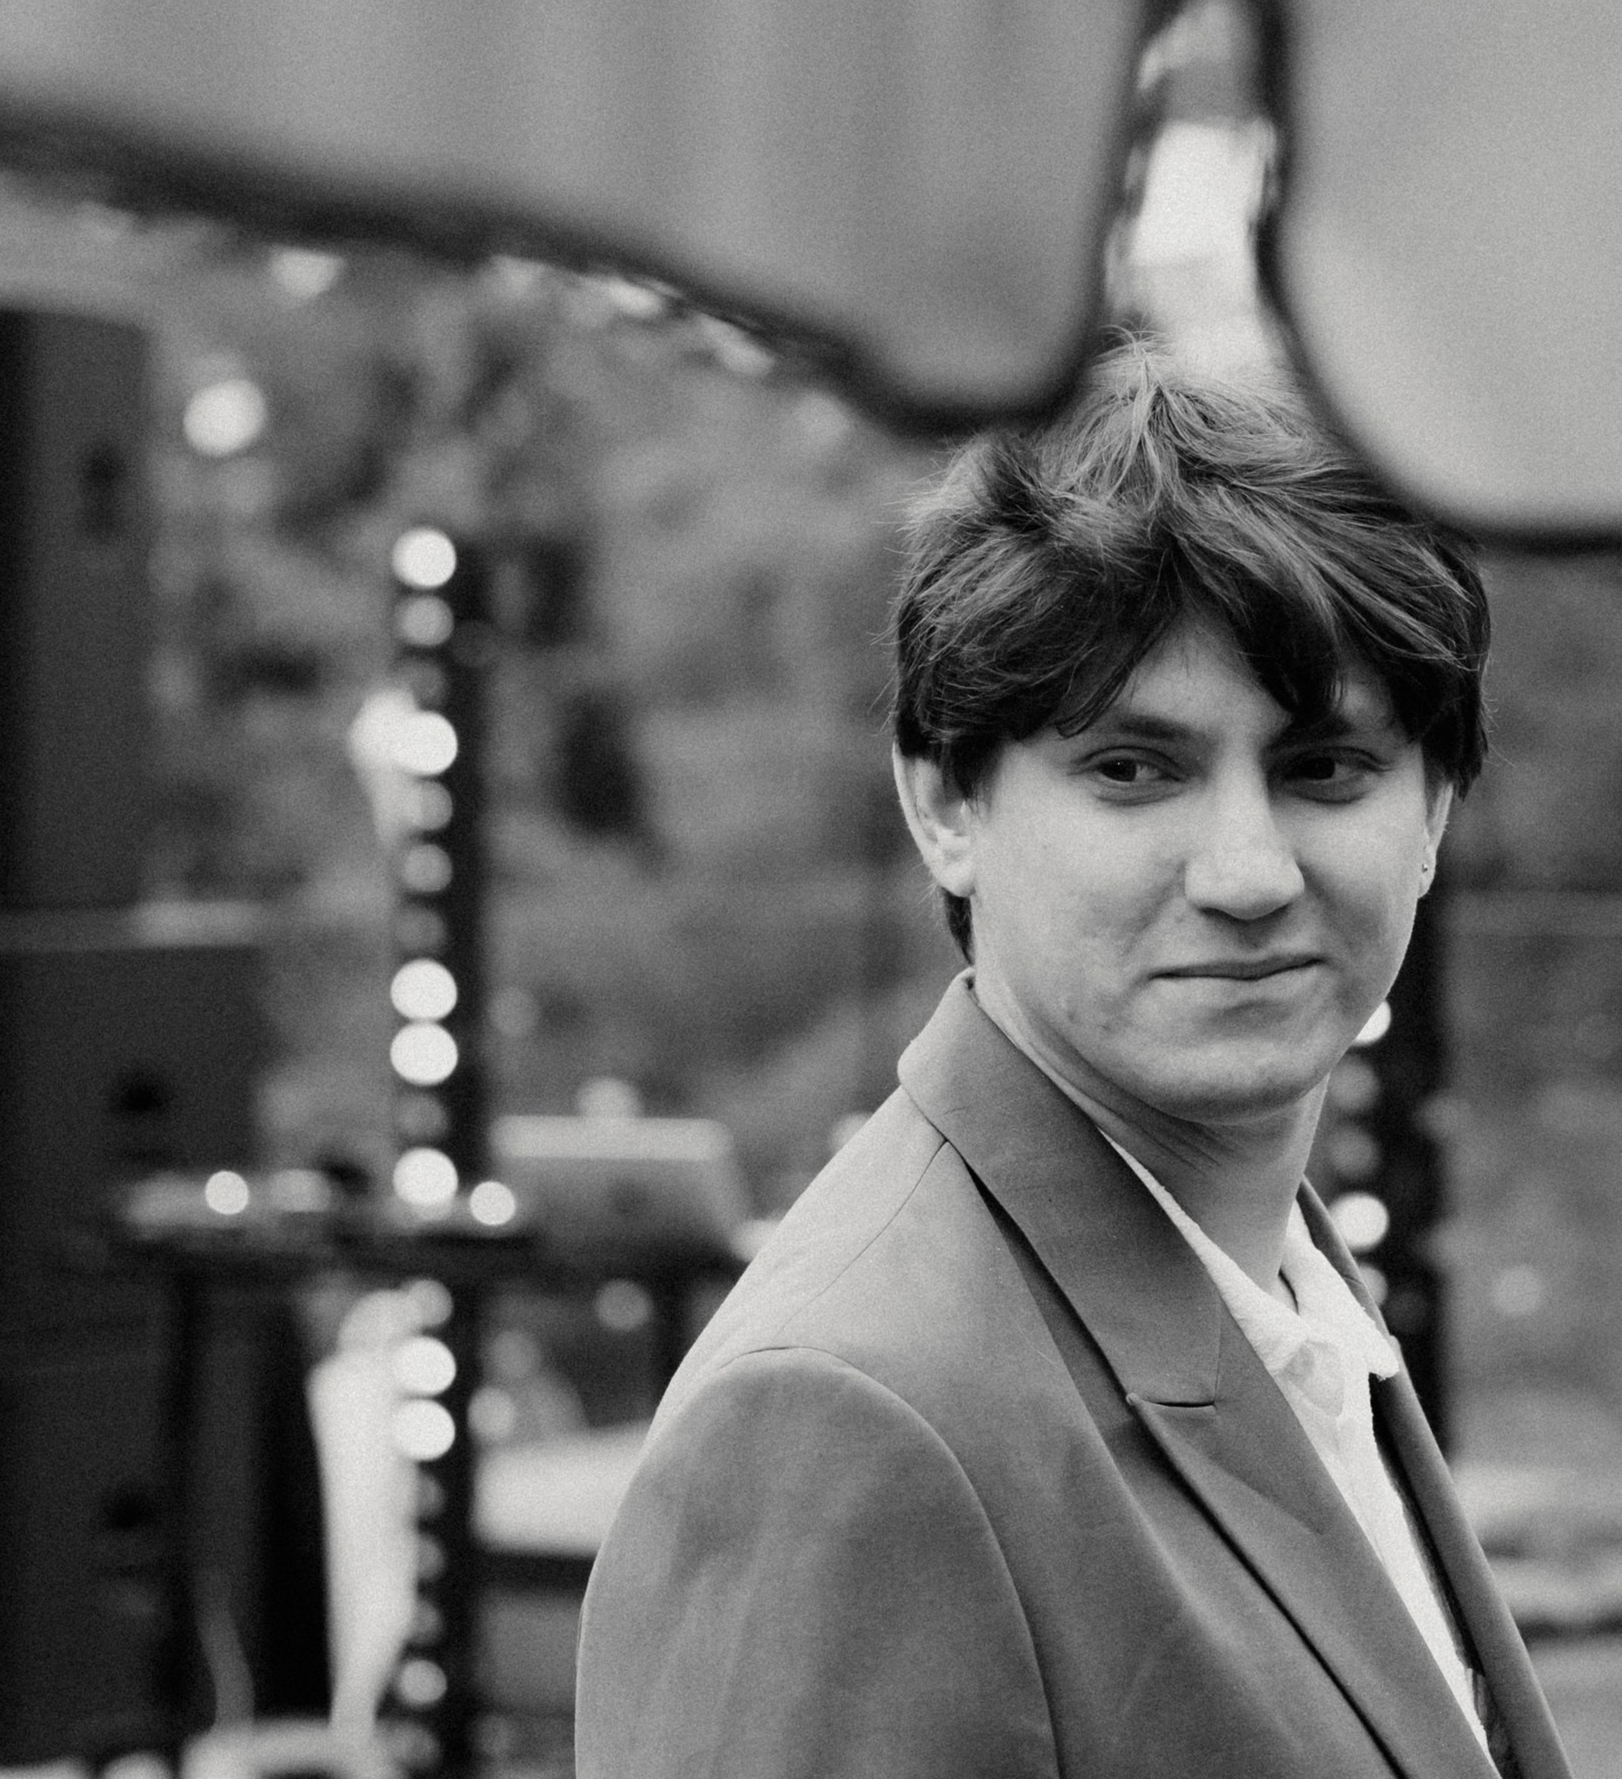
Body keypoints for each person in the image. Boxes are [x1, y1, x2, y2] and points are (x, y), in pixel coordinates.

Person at [574, 344, 1572, 1778]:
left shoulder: (1287, 1293)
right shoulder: (850, 1415)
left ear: (1434, 814)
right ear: (945, 806)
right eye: (1132, 770)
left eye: (1324, 769)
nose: (1246, 873)